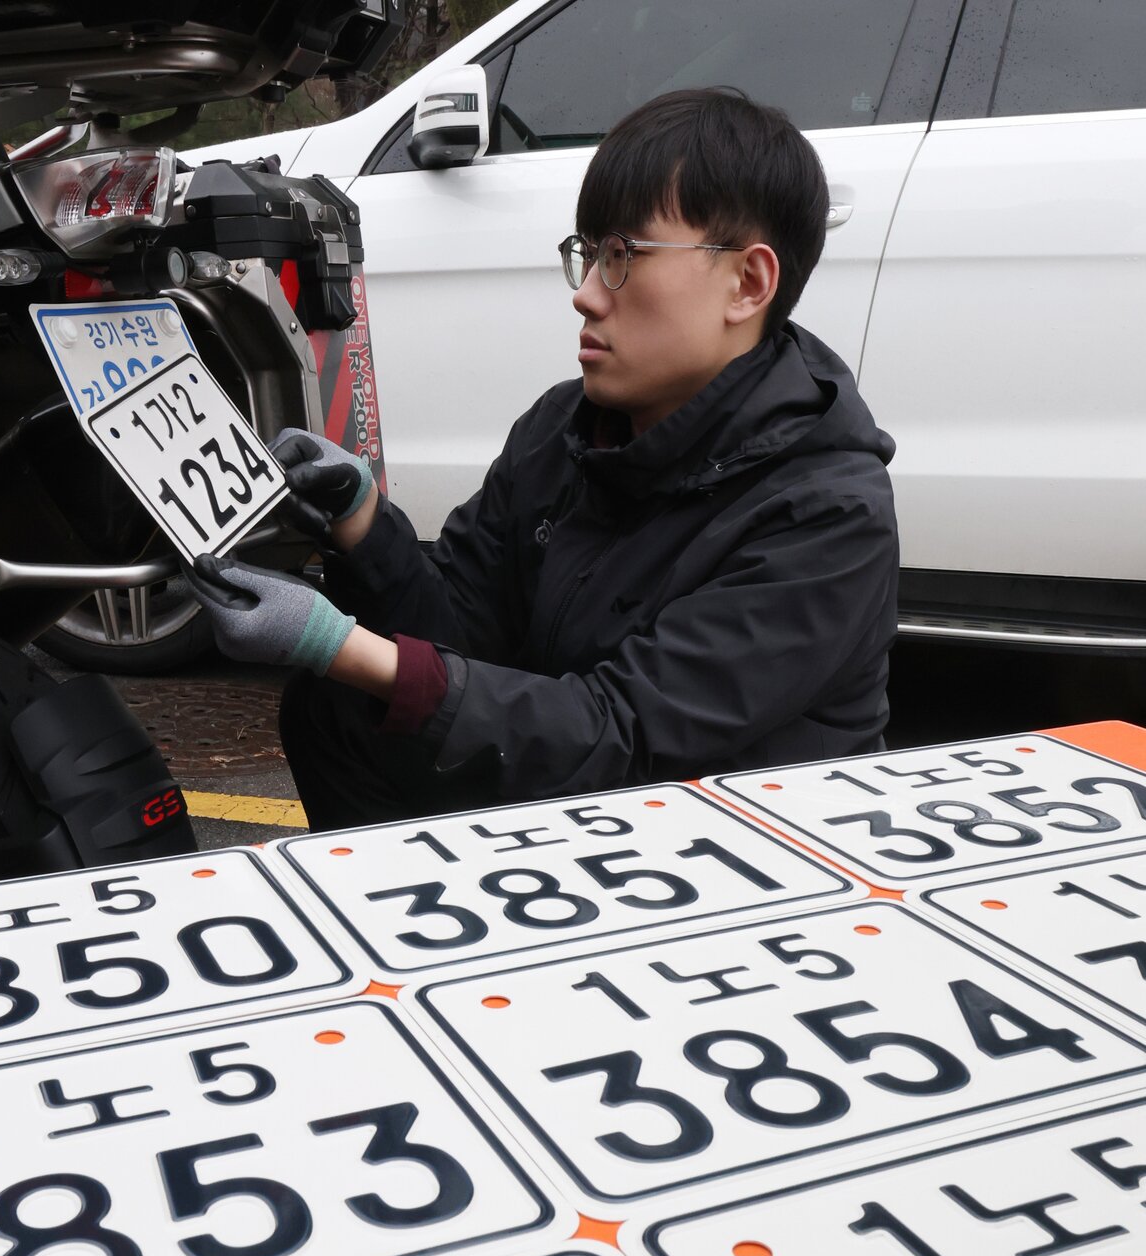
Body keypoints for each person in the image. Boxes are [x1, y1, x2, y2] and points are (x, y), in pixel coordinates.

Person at [187, 87, 900, 831]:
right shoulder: (567, 427)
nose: (587, 296)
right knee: (338, 712)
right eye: (588, 255)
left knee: (358, 681)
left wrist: (336, 643)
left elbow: (624, 731)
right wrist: (364, 524)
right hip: (592, 809)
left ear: (748, 283)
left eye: (624, 257)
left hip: (743, 854)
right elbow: (463, 629)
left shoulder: (827, 512)